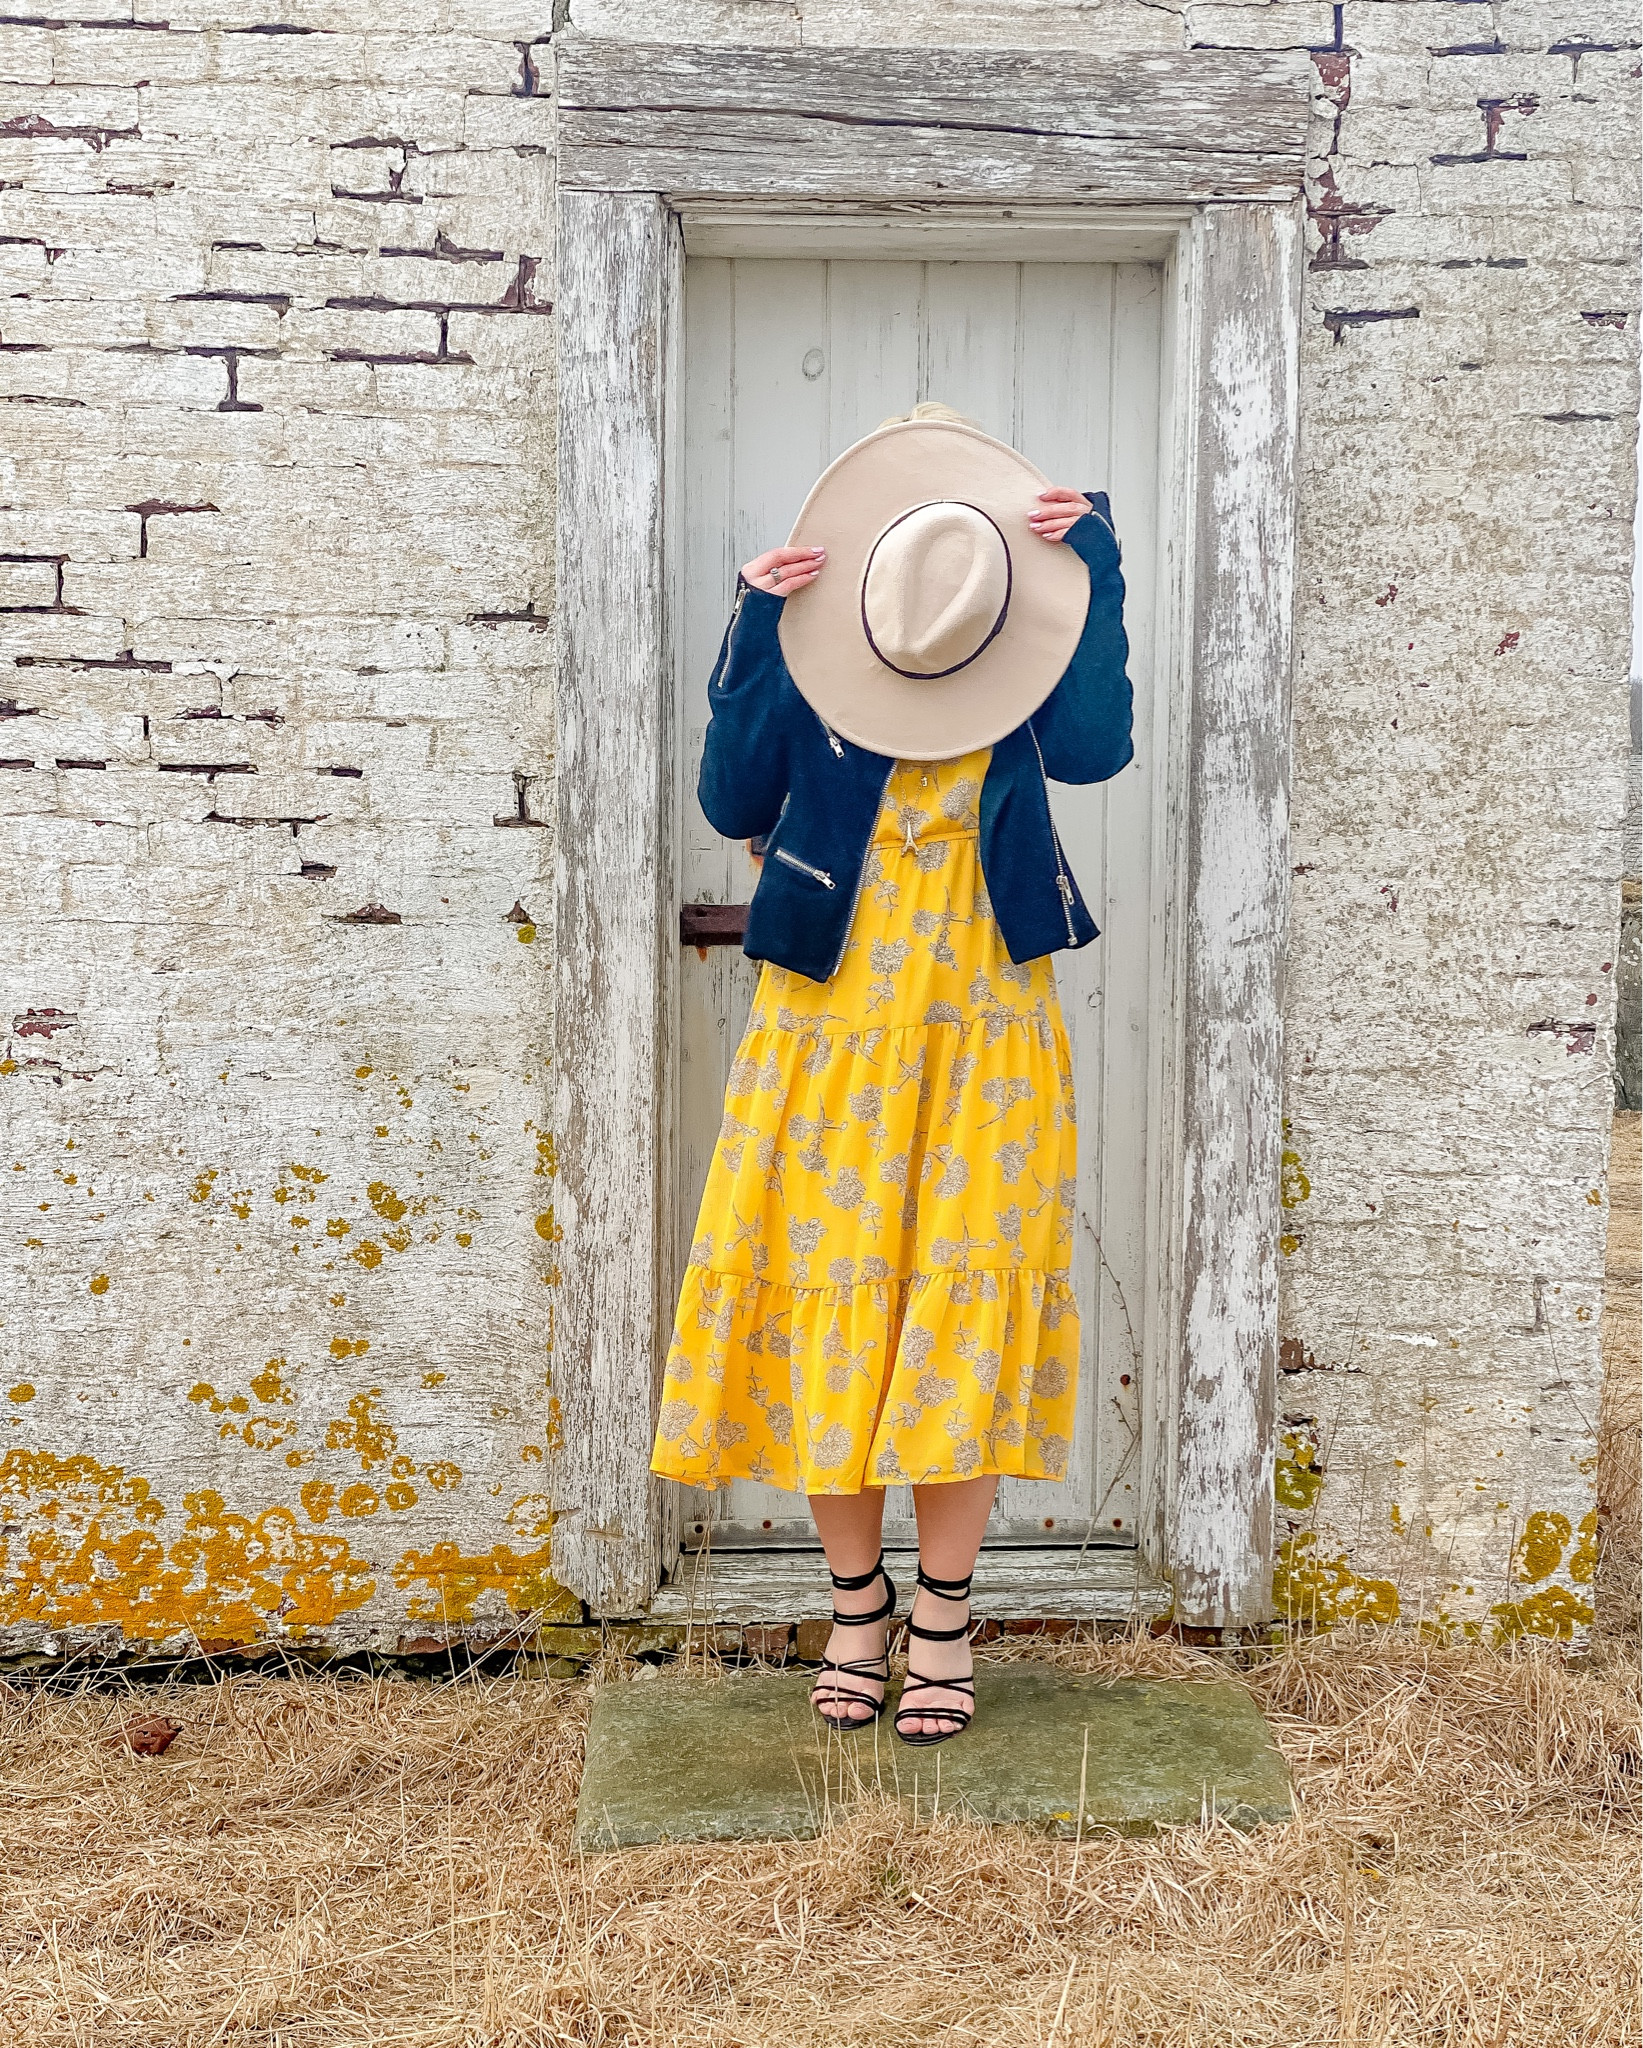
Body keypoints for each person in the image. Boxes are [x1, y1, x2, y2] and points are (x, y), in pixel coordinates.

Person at [651, 403, 1134, 1745]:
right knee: (835, 1310)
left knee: (958, 1313)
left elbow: (1097, 747)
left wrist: (1096, 576)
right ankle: (856, 1607)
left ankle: (946, 1618)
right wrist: (753, 633)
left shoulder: (1024, 683)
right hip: (830, 1030)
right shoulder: (811, 665)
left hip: (985, 1033)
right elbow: (731, 800)